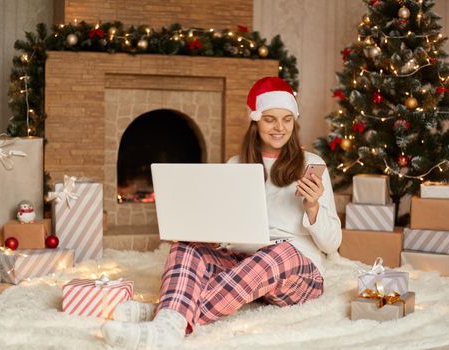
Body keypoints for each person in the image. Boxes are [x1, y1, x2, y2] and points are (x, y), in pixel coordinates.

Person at [101, 77, 342, 349]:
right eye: (270, 119)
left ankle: (167, 313)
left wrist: (312, 208)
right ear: (256, 122)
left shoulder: (312, 164)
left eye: (287, 119)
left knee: (279, 252)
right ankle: (166, 326)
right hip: (247, 269)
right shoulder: (236, 165)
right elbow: (230, 233)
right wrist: (213, 235)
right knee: (186, 247)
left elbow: (332, 244)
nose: (279, 128)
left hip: (299, 273)